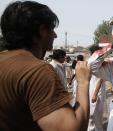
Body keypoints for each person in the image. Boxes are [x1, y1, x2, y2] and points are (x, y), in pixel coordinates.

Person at [0, 1, 91, 131]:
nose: (55, 35)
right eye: (52, 29)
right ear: (42, 31)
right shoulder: (37, 71)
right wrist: (83, 82)